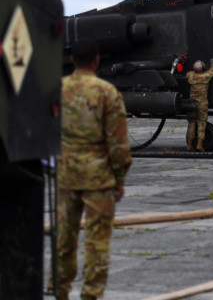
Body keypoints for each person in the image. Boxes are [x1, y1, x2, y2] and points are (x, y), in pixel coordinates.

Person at [52, 40, 132, 300]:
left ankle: (60, 290)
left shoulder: (57, 90)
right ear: (96, 61)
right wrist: (119, 178)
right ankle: (90, 294)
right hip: (99, 179)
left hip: (65, 176)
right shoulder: (106, 92)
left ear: (72, 60)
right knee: (97, 242)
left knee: (64, 238)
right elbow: (118, 142)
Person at [186, 59, 213, 151]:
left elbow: (188, 73)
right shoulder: (206, 76)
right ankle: (199, 145)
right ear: (203, 68)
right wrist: (212, 63)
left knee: (191, 123)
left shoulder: (190, 75)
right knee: (201, 124)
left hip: (191, 103)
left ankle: (189, 145)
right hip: (202, 104)